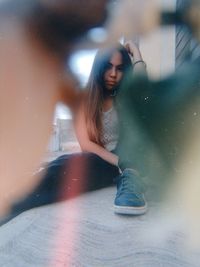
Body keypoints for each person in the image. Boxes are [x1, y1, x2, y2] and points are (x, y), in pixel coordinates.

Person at [4, 40, 147, 222]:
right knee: (65, 165)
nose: (113, 74)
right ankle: (13, 199)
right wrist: (121, 162)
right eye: (108, 67)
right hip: (101, 160)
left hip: (124, 159)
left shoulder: (126, 96)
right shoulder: (85, 98)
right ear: (99, 67)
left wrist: (136, 52)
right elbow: (86, 144)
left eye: (119, 69)